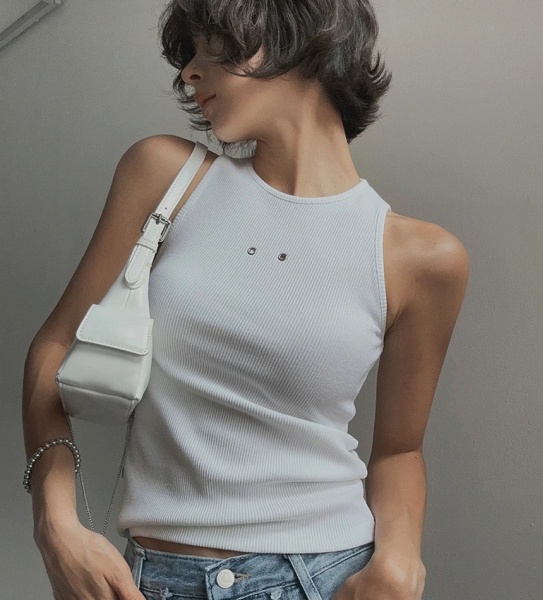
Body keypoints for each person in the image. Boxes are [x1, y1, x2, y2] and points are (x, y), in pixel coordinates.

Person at [22, 1, 469, 599]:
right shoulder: (166, 179)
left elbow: (400, 449)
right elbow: (54, 348)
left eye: (213, 43)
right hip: (153, 581)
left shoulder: (421, 258)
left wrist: (400, 559)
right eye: (187, 56)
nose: (189, 72)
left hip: (324, 577)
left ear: (301, 37)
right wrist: (54, 523)